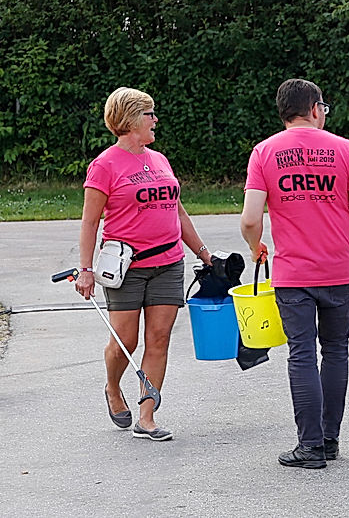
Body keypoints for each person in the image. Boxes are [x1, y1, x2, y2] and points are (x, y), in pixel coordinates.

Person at [240, 78, 349, 469]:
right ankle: (330, 440)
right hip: (337, 268)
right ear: (315, 109)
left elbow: (250, 218)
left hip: (293, 273)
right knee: (335, 351)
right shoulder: (346, 149)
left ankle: (310, 446)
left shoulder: (264, 152)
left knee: (301, 353)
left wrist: (255, 245)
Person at [73, 87, 213, 440]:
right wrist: (86, 270)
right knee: (126, 340)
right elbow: (90, 222)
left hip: (169, 263)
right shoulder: (104, 165)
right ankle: (112, 386)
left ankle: (146, 416)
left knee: (159, 338)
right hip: (128, 268)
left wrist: (203, 253)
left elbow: (178, 212)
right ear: (131, 119)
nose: (155, 120)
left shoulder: (160, 160)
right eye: (150, 114)